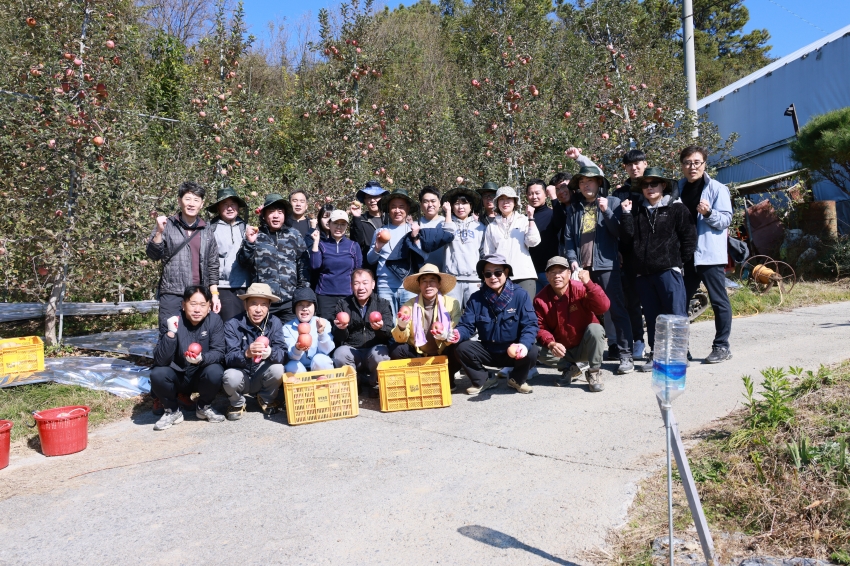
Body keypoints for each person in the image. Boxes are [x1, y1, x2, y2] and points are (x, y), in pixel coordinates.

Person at [620, 167, 697, 373]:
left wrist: (677, 262)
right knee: (653, 317)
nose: (649, 188)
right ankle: (656, 354)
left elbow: (689, 238)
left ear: (663, 185)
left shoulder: (677, 209)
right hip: (643, 274)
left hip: (668, 271)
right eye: (645, 184)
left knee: (676, 314)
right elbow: (626, 241)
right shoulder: (636, 211)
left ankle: (680, 354)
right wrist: (626, 215)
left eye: (654, 183)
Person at [563, 165, 634, 374]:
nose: (586, 185)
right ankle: (581, 358)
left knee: (616, 309)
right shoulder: (574, 209)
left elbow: (619, 233)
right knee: (579, 312)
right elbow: (568, 239)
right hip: (581, 268)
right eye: (582, 182)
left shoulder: (611, 202)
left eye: (590, 181)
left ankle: (625, 355)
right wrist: (572, 260)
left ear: (599, 183)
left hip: (606, 266)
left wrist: (607, 211)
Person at [677, 145, 734, 363]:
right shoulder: (678, 189)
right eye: (687, 163)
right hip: (685, 256)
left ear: (704, 164)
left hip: (709, 255)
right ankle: (682, 349)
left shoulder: (717, 189)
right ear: (682, 166)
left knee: (719, 301)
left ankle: (722, 346)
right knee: (679, 303)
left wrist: (709, 213)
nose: (692, 167)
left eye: (696, 162)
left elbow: (726, 220)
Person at [454, 253, 539, 395]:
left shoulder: (520, 295)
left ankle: (517, 379)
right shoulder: (476, 298)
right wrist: (457, 333)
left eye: (498, 272)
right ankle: (484, 379)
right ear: (483, 276)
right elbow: (466, 326)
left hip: (512, 351)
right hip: (488, 350)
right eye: (488, 274)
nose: (493, 277)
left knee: (532, 350)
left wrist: (523, 345)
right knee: (461, 347)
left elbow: (530, 324)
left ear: (506, 272)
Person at [366, 188, 453, 319]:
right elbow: (370, 260)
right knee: (388, 322)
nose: (397, 210)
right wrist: (378, 247)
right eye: (393, 207)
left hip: (408, 286)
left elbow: (422, 257)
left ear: (407, 209)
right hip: (385, 285)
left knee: (409, 323)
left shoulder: (414, 229)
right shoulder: (380, 231)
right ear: (388, 210)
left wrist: (416, 238)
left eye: (401, 206)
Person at [147, 181, 220, 333]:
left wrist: (214, 295)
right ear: (179, 201)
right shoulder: (167, 225)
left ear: (202, 203)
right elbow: (153, 255)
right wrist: (159, 232)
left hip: (198, 296)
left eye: (196, 200)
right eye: (187, 199)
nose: (192, 204)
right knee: (169, 335)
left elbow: (212, 265)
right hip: (173, 293)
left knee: (195, 339)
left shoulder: (206, 230)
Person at [150, 285, 225, 430]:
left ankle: (203, 407)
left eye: (203, 305)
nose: (197, 309)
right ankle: (172, 410)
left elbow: (219, 351)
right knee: (157, 373)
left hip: (200, 374)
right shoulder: (172, 321)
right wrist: (171, 334)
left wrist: (201, 358)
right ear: (184, 305)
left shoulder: (215, 321)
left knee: (216, 371)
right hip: (178, 375)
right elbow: (160, 360)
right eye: (193, 304)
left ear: (209, 306)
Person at [535, 257, 610, 391]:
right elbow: (540, 327)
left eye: (561, 271)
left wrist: (589, 284)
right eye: (552, 272)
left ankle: (594, 372)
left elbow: (603, 307)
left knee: (596, 329)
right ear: (546, 276)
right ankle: (569, 368)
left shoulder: (581, 288)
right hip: (562, 350)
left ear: (569, 273)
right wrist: (551, 343)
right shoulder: (540, 299)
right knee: (534, 348)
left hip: (585, 347)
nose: (557, 276)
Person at [237, 193, 309, 324]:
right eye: (271, 212)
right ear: (264, 215)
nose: (276, 216)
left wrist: (301, 293)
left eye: (280, 212)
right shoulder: (256, 235)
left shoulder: (294, 235)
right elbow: (243, 263)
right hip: (264, 301)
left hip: (289, 300)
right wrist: (250, 243)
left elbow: (303, 266)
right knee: (264, 339)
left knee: (290, 339)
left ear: (285, 215)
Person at [390, 264, 463, 389]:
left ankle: (448, 375)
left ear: (439, 284)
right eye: (424, 281)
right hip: (419, 355)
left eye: (432, 281)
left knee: (461, 347)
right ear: (419, 285)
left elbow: (456, 330)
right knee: (396, 349)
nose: (428, 285)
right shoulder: (409, 305)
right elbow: (400, 339)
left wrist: (446, 335)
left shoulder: (452, 303)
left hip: (443, 352)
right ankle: (417, 375)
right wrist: (401, 326)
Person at [222, 283, 287, 420]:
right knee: (230, 377)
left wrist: (270, 353)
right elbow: (228, 358)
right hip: (242, 375)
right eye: (254, 304)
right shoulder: (232, 324)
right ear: (245, 305)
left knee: (278, 369)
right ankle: (237, 403)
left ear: (269, 306)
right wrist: (246, 354)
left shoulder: (274, 323)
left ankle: (265, 398)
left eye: (263, 304)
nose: (258, 310)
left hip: (261, 374)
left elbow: (283, 354)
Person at [612, 149, 650, 360]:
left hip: (654, 253)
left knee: (656, 301)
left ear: (645, 164)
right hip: (628, 255)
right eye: (630, 165)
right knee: (632, 302)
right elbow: (616, 225)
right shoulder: (620, 194)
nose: (634, 167)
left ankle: (661, 342)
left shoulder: (656, 186)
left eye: (638, 163)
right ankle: (638, 340)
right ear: (625, 168)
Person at [332, 269, 393, 398]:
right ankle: (355, 383)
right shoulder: (343, 304)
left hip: (373, 350)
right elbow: (338, 338)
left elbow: (389, 332)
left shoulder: (382, 304)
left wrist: (380, 328)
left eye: (365, 283)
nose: (361, 288)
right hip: (354, 352)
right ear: (351, 286)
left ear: (373, 284)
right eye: (356, 283)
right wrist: (341, 329)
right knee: (339, 354)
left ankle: (374, 384)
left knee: (381, 356)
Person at [482, 186, 540, 299]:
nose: (505, 202)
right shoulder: (491, 227)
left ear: (515, 202)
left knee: (525, 311)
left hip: (524, 274)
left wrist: (531, 218)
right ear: (497, 203)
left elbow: (533, 241)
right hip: (501, 277)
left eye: (509, 198)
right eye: (501, 199)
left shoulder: (524, 220)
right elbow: (489, 254)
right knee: (504, 312)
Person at [207, 187, 250, 322]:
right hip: (222, 286)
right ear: (219, 208)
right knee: (228, 326)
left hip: (245, 286)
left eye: (233, 204)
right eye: (225, 204)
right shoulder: (210, 229)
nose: (230, 208)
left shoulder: (246, 228)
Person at [310, 209, 362, 320]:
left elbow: (358, 271)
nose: (339, 227)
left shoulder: (353, 246)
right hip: (325, 295)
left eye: (342, 224)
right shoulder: (322, 245)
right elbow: (315, 265)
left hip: (347, 294)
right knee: (325, 329)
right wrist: (315, 242)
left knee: (346, 328)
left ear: (346, 226)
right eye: (335, 223)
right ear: (329, 224)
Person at [441, 186, 485, 308]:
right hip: (452, 280)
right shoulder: (445, 224)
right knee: (451, 317)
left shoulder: (480, 227)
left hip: (474, 280)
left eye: (464, 203)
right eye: (456, 203)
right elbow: (446, 235)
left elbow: (483, 253)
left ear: (471, 206)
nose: (460, 207)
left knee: (475, 317)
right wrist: (448, 214)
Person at [526, 178, 567, 293]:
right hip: (531, 273)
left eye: (537, 193)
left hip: (550, 271)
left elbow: (561, 222)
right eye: (530, 193)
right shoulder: (525, 218)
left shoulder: (552, 214)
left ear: (545, 194)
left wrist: (554, 197)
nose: (534, 197)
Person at [282, 287, 335, 374]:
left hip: (318, 366)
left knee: (321, 359)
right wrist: (297, 348)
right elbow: (291, 356)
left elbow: (327, 350)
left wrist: (321, 332)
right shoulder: (287, 328)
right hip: (299, 367)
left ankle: (325, 386)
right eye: (300, 305)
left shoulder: (323, 323)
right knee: (291, 366)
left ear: (315, 308)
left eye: (309, 304)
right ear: (294, 308)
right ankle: (302, 386)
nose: (305, 308)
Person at [349, 180, 388, 273]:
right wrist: (357, 218)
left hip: (388, 269)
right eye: (369, 197)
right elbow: (357, 243)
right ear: (365, 201)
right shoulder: (360, 220)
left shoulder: (391, 219)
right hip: (369, 269)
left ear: (382, 198)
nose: (373, 200)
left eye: (376, 196)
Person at [418, 186, 446, 269]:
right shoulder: (416, 225)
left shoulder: (447, 223)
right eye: (426, 202)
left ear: (439, 203)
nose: (430, 205)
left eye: (433, 201)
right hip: (423, 274)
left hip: (445, 274)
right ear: (421, 204)